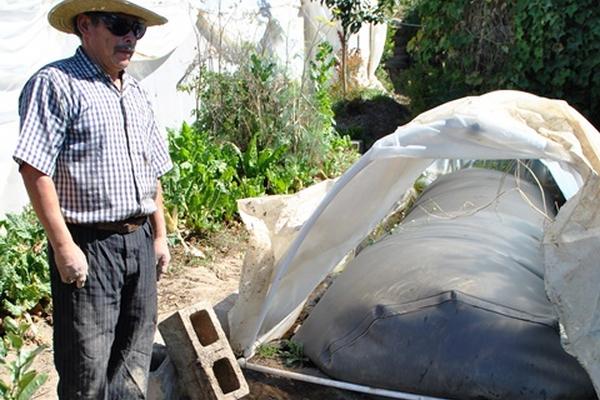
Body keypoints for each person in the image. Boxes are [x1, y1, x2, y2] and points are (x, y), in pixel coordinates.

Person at [13, 1, 172, 398]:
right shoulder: (56, 83)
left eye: (137, 29)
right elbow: (34, 169)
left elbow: (151, 170)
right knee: (87, 367)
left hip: (138, 241)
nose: (130, 37)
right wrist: (64, 248)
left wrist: (159, 236)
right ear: (85, 25)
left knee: (134, 358)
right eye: (120, 25)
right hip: (89, 246)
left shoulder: (135, 90)